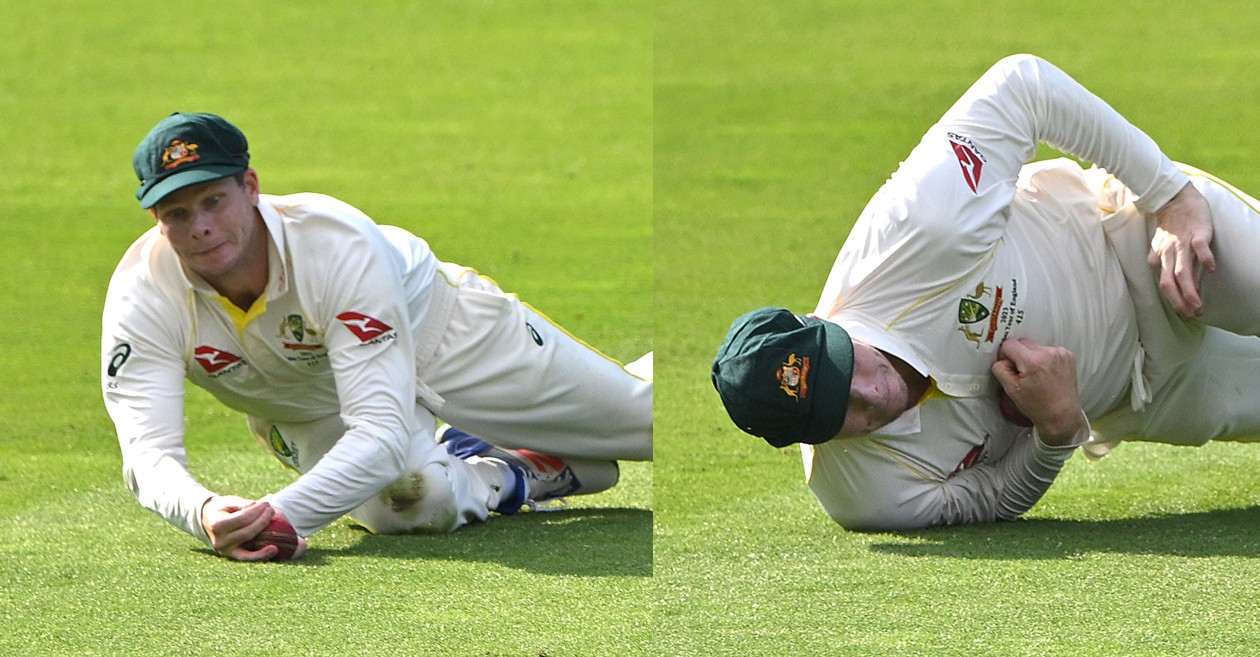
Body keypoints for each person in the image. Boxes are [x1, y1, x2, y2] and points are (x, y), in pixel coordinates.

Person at [711, 54, 1260, 531]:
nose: (871, 396)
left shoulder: (918, 231)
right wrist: (1056, 430)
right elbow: (995, 498)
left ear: (820, 321)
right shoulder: (864, 496)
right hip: (1151, 395)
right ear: (810, 441)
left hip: (1137, 241)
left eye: (844, 369)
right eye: (841, 413)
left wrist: (1170, 197)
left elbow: (1026, 84)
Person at [102, 112, 652, 561]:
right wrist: (203, 513)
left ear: (250, 187)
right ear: (155, 217)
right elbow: (147, 453)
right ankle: (515, 469)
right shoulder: (142, 297)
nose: (199, 227)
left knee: (652, 425)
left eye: (213, 201)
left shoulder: (335, 244)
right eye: (177, 213)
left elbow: (383, 428)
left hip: (447, 336)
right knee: (413, 503)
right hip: (307, 407)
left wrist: (277, 518)